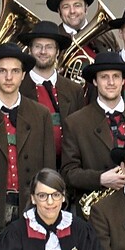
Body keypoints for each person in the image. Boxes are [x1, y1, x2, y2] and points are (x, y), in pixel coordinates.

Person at [0, 44, 57, 229]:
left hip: (32, 209)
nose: (9, 77)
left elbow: (48, 168)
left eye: (15, 71)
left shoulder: (41, 114)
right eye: (2, 71)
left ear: (23, 75)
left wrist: (45, 208)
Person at [59, 51, 125, 205]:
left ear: (123, 81)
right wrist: (100, 179)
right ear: (95, 81)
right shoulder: (75, 122)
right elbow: (68, 173)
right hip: (96, 209)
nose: (111, 82)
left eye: (116, 76)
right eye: (104, 77)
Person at [19, 20, 86, 152]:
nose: (43, 51)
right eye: (38, 46)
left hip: (67, 161)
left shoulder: (75, 90)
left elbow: (80, 134)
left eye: (49, 47)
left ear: (57, 52)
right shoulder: (18, 88)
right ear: (30, 50)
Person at [46, 0, 113, 60]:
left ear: (86, 8)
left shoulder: (106, 36)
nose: (72, 11)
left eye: (77, 5)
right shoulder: (53, 39)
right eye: (66, 7)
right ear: (59, 12)